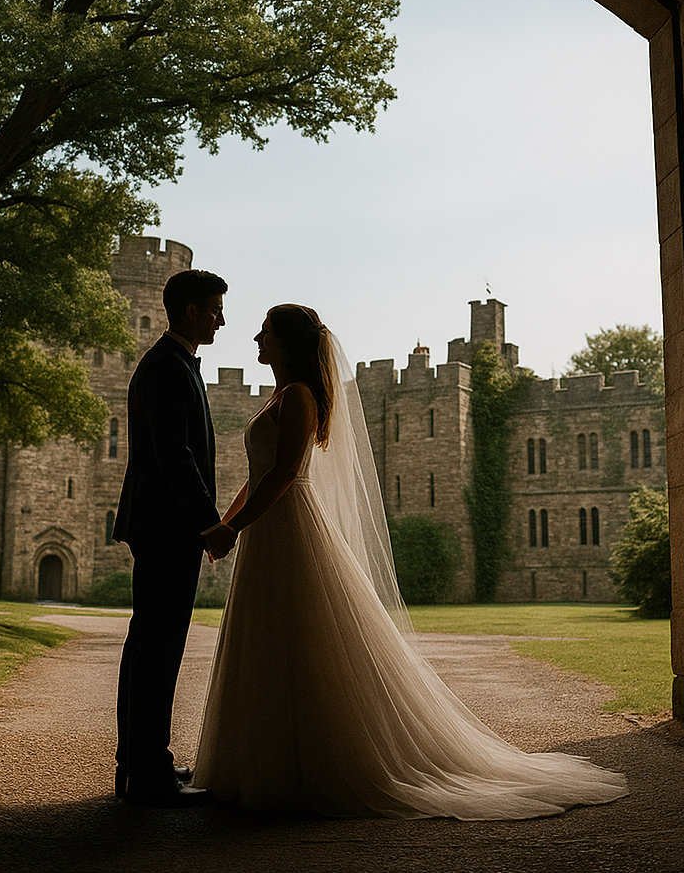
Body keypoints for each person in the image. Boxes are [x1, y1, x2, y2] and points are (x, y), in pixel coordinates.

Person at [194, 304, 628, 819]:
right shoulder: (280, 396)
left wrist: (232, 528)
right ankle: (263, 763)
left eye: (265, 333)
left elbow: (286, 472)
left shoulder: (301, 398)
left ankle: (312, 767)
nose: (256, 339)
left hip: (289, 525)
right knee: (267, 638)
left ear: (286, 343)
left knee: (301, 637)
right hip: (268, 527)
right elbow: (259, 473)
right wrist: (228, 520)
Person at [111, 268, 228, 807]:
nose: (220, 319)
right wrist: (209, 522)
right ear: (186, 311)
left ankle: (141, 762)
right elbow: (175, 456)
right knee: (157, 647)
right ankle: (145, 770)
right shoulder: (165, 367)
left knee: (153, 645)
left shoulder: (174, 363)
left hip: (162, 525)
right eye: (212, 309)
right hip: (167, 527)